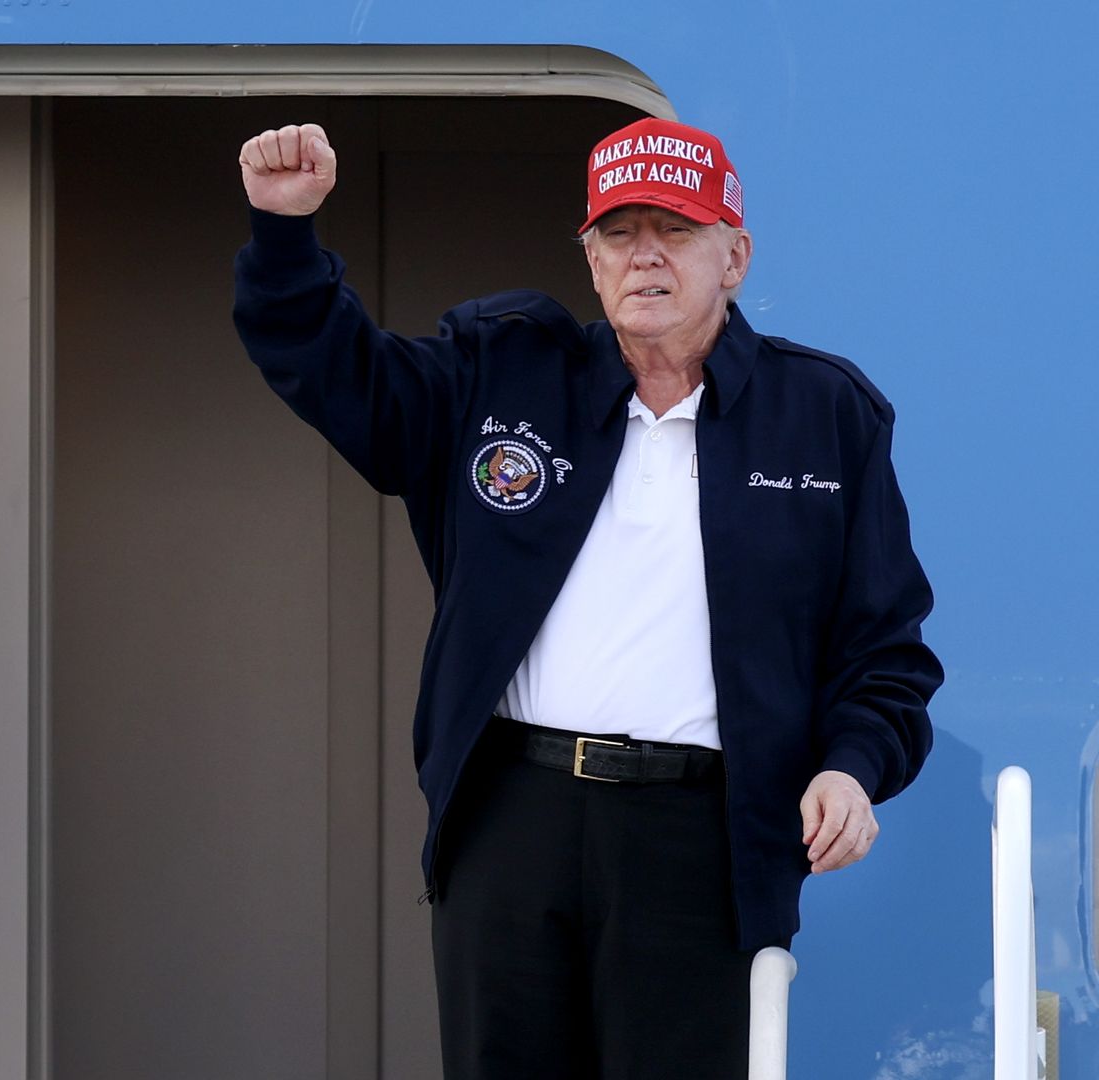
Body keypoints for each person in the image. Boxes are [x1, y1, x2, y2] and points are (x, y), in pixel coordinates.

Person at [232, 118, 942, 1077]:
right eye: (617, 231)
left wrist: (852, 768)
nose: (644, 254)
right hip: (510, 820)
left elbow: (886, 651)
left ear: (734, 255)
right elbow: (338, 373)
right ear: (591, 258)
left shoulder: (824, 416)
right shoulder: (498, 367)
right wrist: (286, 236)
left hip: (705, 841)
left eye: (675, 229)